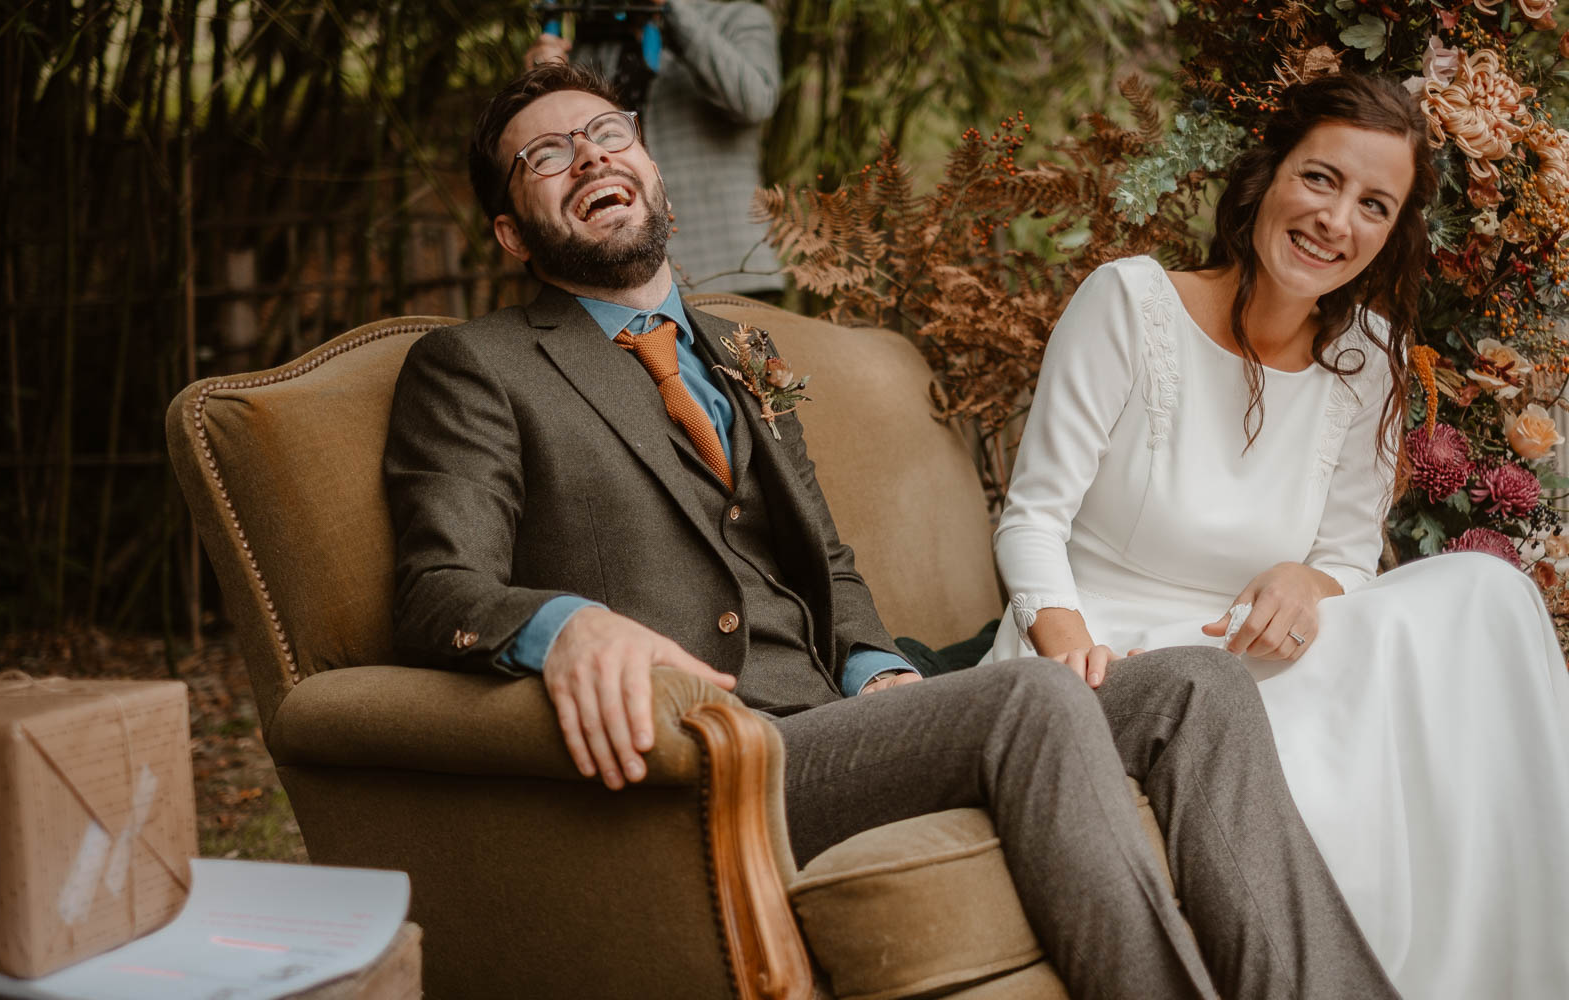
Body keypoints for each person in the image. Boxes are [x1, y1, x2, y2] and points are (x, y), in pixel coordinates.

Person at [384, 62, 1399, 998]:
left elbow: (824, 565)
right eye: (547, 154)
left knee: (1197, 683)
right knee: (1032, 699)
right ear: (512, 231)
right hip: (722, 753)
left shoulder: (739, 346)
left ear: (656, 174)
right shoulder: (477, 368)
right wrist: (566, 625)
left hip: (842, 722)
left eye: (608, 133)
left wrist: (877, 672)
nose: (592, 156)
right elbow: (437, 591)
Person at [984, 72, 1569, 999]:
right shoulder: (1130, 305)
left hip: (1264, 648)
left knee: (1489, 594)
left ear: (1391, 233)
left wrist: (1311, 581)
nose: (1338, 220)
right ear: (1267, 179)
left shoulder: (1366, 356)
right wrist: (1071, 655)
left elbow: (1344, 558)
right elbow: (1033, 521)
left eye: (1374, 204)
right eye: (1321, 179)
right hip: (1116, 656)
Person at [523, 0, 783, 296]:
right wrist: (546, 77)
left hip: (733, 266)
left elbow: (754, 101)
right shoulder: (599, 39)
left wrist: (670, 11)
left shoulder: (739, 17)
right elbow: (568, 136)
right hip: (636, 276)